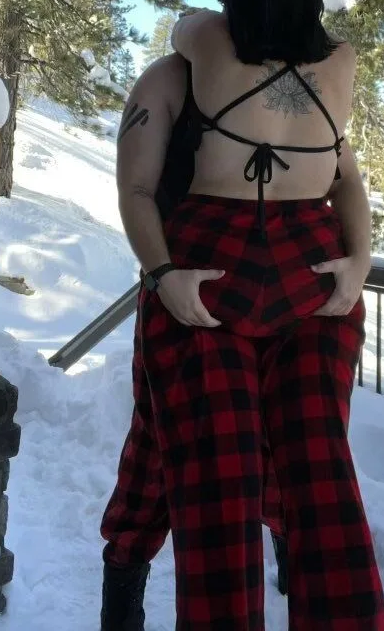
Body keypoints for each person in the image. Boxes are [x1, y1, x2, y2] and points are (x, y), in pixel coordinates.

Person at [116, 0, 384, 630]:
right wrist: (356, 262)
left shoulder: (194, 53)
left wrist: (165, 273)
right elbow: (346, 179)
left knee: (239, 473)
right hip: (298, 271)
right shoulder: (334, 69)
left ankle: (143, 575)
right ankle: (132, 574)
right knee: (294, 468)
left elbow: (138, 188)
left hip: (220, 267)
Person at [101, 52, 288, 631]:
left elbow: (333, 173)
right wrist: (162, 275)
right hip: (182, 299)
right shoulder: (171, 77)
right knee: (157, 448)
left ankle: (289, 562)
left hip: (280, 301)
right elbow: (135, 187)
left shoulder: (288, 75)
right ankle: (121, 604)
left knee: (279, 440)